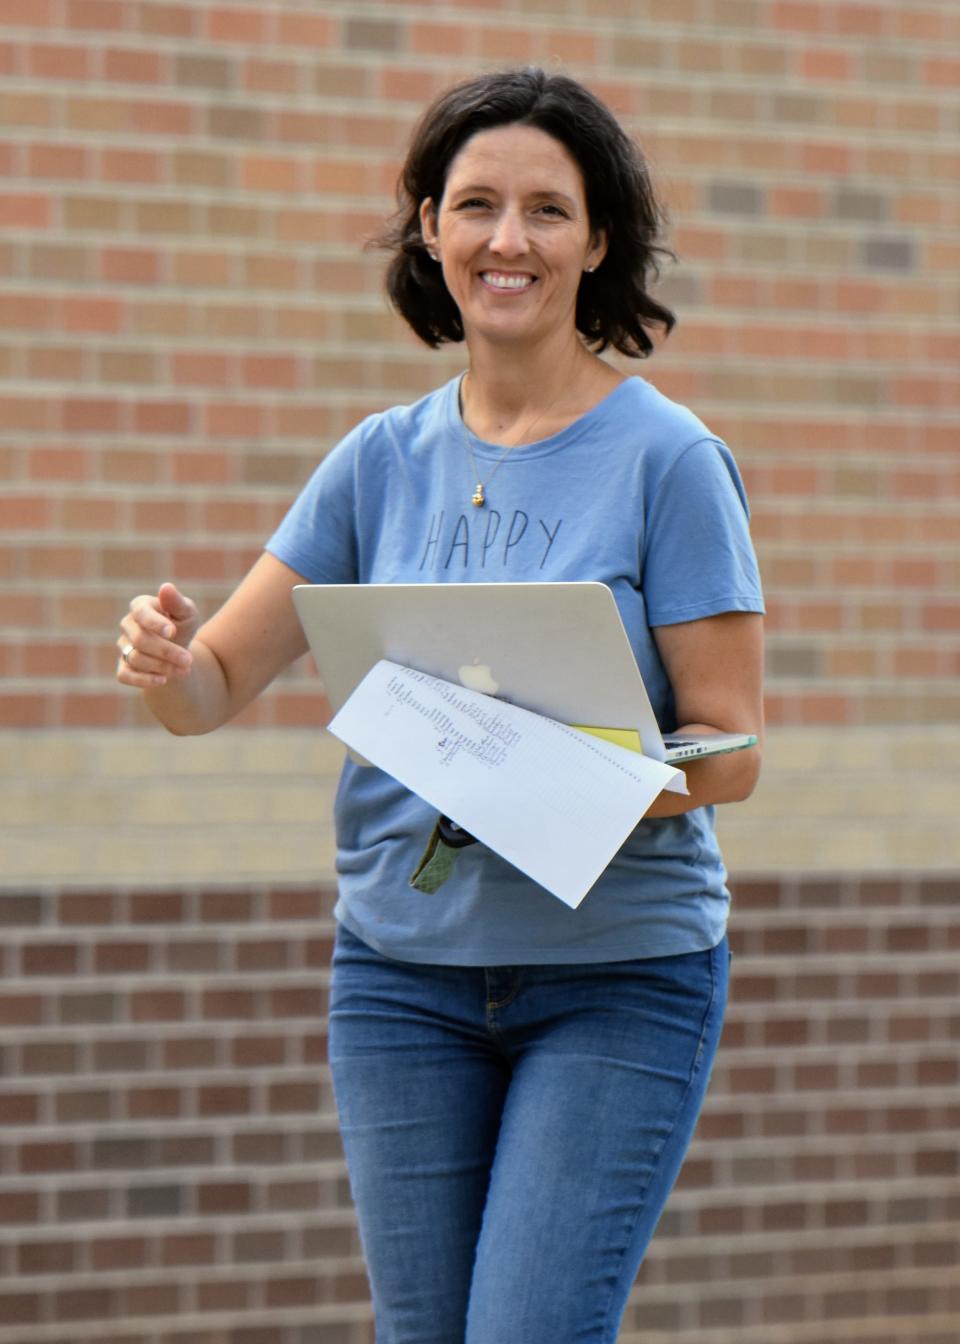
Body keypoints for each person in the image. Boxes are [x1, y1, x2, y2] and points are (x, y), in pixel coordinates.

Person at [117, 68, 764, 1344]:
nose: (506, 240)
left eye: (545, 210)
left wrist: (609, 776)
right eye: (475, 206)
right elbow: (215, 687)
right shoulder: (378, 460)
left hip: (615, 978)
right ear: (429, 228)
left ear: (598, 241)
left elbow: (730, 748)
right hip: (399, 983)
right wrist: (162, 656)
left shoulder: (669, 461)